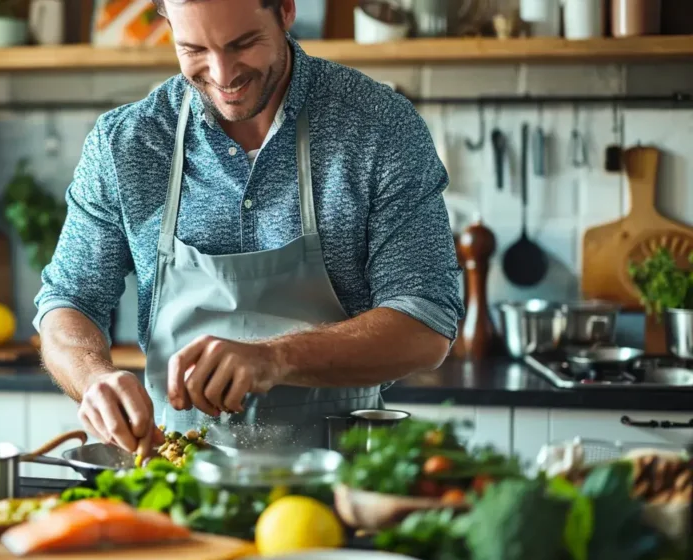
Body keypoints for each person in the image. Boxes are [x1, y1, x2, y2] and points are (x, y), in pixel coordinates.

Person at [33, 0, 464, 454]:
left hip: (339, 479)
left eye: (243, 44)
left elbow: (426, 322)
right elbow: (68, 300)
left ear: (286, 10)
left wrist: (275, 358)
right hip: (174, 476)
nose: (222, 75)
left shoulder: (379, 127)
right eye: (193, 48)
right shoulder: (126, 142)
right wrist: (95, 377)